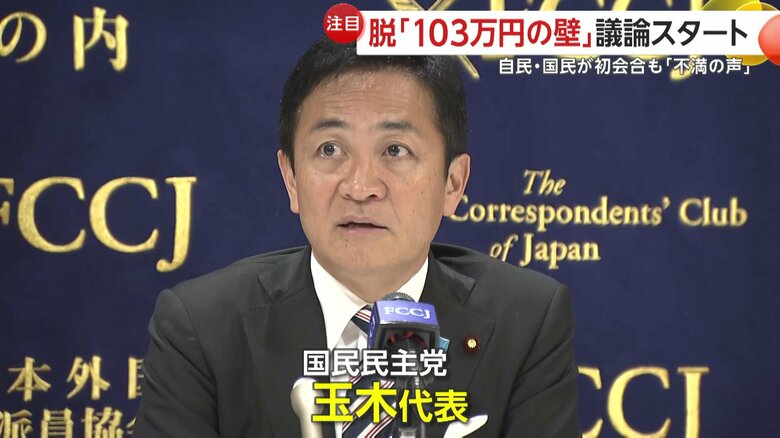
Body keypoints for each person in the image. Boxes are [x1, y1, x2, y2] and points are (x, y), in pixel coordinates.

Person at [134, 37, 581, 437]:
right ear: (291, 179)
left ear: (453, 183)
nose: (361, 186)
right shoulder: (201, 328)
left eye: (395, 150)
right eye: (330, 149)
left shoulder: (526, 321)